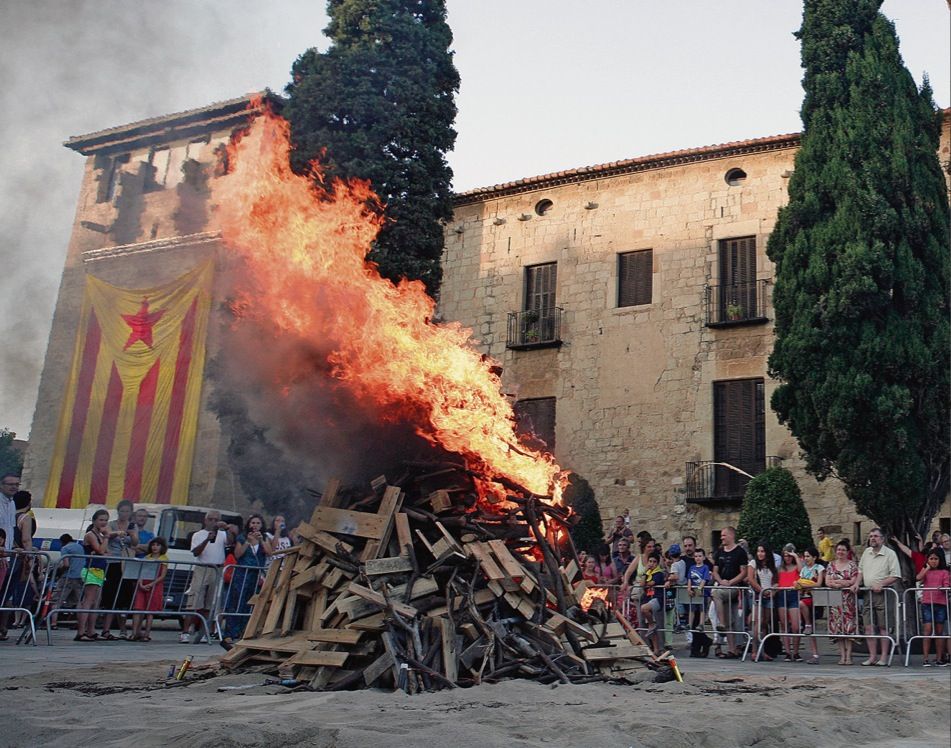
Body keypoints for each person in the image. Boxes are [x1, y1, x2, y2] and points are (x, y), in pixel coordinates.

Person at [183, 510, 236, 643]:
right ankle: (185, 632)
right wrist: (208, 539)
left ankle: (205, 632)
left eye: (216, 519)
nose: (213, 522)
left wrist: (227, 528)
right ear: (205, 521)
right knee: (194, 601)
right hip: (202, 567)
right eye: (211, 519)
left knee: (210, 603)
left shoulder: (223, 534)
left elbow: (231, 542)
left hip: (217, 568)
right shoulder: (198, 535)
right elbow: (196, 552)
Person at [221, 514, 271, 649]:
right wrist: (248, 542)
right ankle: (230, 632)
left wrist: (261, 541)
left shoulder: (265, 537)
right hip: (242, 573)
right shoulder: (242, 537)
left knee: (250, 603)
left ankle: (244, 631)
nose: (255, 525)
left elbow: (269, 552)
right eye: (253, 523)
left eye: (258, 523)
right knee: (236, 602)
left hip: (255, 574)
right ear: (249, 524)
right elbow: (237, 555)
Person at [856, 527, 901, 667]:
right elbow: (860, 570)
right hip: (868, 592)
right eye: (871, 536)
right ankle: (872, 656)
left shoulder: (890, 554)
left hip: (884, 593)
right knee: (868, 626)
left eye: (875, 536)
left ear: (882, 538)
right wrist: (857, 583)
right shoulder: (866, 552)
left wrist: (881, 583)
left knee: (883, 626)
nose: (872, 538)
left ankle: (883, 657)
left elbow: (895, 575)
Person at [99, 499, 138, 639]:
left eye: (127, 511)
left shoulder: (133, 526)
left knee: (124, 598)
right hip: (113, 561)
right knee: (110, 597)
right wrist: (118, 533)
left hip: (126, 562)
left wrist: (132, 535)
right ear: (118, 511)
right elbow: (107, 534)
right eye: (122, 511)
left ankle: (123, 629)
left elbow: (135, 543)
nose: (124, 513)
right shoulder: (111, 524)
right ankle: (106, 629)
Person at [711, 526, 748, 658]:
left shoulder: (740, 552)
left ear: (731, 536)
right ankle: (732, 650)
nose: (721, 538)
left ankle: (721, 623)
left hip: (735, 587)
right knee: (731, 620)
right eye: (721, 535)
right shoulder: (720, 552)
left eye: (724, 535)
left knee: (716, 594)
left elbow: (744, 572)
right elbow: (715, 570)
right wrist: (721, 581)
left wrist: (730, 582)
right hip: (723, 585)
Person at [76, 510, 110, 641]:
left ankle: (91, 630)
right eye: (101, 520)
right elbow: (101, 550)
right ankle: (81, 631)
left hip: (100, 569)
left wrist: (105, 541)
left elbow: (107, 552)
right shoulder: (90, 535)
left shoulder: (100, 535)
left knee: (96, 602)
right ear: (94, 521)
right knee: (88, 601)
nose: (104, 523)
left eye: (106, 520)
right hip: (91, 569)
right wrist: (107, 537)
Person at [824, 539, 859, 665]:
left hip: (848, 600)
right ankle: (842, 656)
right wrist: (841, 583)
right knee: (837, 627)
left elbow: (852, 581)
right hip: (835, 600)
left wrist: (840, 583)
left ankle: (849, 656)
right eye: (839, 549)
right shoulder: (831, 565)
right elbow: (827, 581)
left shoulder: (852, 565)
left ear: (847, 551)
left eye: (843, 550)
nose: (840, 552)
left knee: (848, 628)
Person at [915, 550, 949, 667]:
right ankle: (925, 658)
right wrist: (926, 568)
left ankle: (939, 658)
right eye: (931, 559)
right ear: (927, 560)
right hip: (927, 603)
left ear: (940, 560)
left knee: (939, 631)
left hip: (940, 603)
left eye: (936, 559)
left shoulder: (944, 572)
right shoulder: (926, 571)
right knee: (927, 630)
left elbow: (946, 585)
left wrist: (943, 587)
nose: (933, 561)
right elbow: (918, 578)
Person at [131, 537, 168, 642]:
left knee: (150, 611)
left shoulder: (164, 558)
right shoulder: (147, 557)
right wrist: (141, 583)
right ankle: (134, 633)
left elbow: (163, 575)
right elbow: (142, 571)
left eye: (158, 545)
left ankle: (146, 634)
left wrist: (152, 584)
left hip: (155, 586)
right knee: (138, 609)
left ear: (162, 547)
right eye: (153, 545)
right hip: (143, 585)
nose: (155, 547)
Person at [748, 542, 778, 661]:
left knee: (765, 623)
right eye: (759, 551)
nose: (760, 554)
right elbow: (751, 579)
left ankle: (762, 650)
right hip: (758, 595)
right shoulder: (753, 563)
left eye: (763, 551)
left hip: (768, 596)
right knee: (757, 622)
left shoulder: (771, 565)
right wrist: (761, 590)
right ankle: (754, 650)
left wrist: (773, 591)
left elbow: (775, 580)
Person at [50, 533, 86, 629]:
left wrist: (58, 572)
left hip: (68, 577)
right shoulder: (80, 547)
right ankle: (80, 624)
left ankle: (53, 623)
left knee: (56, 600)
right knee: (79, 602)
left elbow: (66, 564)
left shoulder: (65, 548)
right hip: (79, 576)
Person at [796, 547, 824, 663]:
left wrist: (806, 586)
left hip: (814, 598)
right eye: (805, 556)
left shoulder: (819, 568)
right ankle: (815, 654)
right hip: (805, 596)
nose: (806, 558)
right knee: (811, 630)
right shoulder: (803, 570)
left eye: (808, 556)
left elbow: (818, 583)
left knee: (801, 604)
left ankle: (808, 624)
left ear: (814, 557)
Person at [776, 544, 802, 662]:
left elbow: (802, 572)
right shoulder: (779, 569)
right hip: (782, 595)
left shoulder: (796, 567)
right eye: (785, 556)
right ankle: (787, 651)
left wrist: (796, 557)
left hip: (793, 595)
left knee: (796, 626)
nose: (787, 558)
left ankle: (796, 652)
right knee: (784, 625)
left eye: (789, 556)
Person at [639, 551, 665, 654]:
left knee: (644, 609)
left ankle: (651, 623)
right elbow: (642, 584)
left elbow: (650, 583)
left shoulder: (658, 574)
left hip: (657, 599)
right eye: (650, 561)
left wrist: (645, 580)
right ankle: (656, 649)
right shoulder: (648, 573)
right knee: (651, 628)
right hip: (648, 598)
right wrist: (645, 572)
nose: (651, 564)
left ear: (657, 563)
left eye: (654, 562)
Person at [0, 474, 18, 554]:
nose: (14, 487)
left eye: (17, 484)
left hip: (6, 553)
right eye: (10, 484)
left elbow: (10, 529)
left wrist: (14, 547)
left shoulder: (12, 503)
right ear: (1, 485)